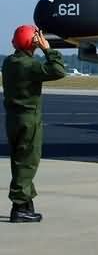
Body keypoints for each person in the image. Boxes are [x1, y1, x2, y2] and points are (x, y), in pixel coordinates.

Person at [2, 26, 65, 223]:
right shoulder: (30, 65)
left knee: (19, 161)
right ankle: (19, 207)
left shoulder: (9, 62)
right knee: (27, 163)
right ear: (32, 42)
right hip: (29, 120)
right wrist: (47, 49)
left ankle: (26, 202)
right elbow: (58, 70)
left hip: (13, 118)